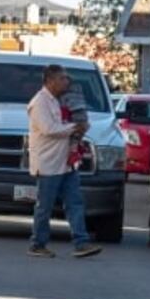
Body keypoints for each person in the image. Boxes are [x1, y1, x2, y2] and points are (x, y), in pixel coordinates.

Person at [26, 64, 103, 259]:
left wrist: (79, 127)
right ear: (50, 81)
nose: (66, 82)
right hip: (48, 163)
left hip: (67, 162)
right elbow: (49, 129)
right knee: (45, 207)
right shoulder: (40, 102)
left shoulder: (61, 100)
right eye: (62, 78)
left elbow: (73, 118)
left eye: (66, 78)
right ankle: (37, 244)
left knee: (75, 203)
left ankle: (81, 243)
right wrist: (74, 128)